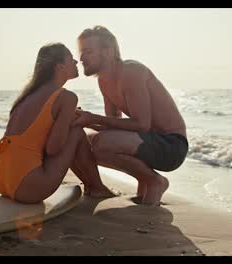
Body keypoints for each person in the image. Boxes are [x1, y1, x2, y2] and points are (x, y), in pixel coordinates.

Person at [72, 26, 189, 206]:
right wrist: (83, 120)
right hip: (147, 141)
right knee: (81, 143)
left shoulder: (131, 71)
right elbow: (115, 126)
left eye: (88, 51)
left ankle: (154, 181)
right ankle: (143, 181)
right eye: (81, 52)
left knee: (101, 143)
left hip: (171, 146)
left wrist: (93, 118)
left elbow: (142, 124)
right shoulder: (104, 81)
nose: (81, 58)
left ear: (108, 51)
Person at [0, 42, 114, 204]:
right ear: (60, 67)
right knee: (76, 131)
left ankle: (94, 186)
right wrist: (72, 121)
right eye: (71, 59)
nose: (76, 62)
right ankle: (96, 187)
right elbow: (53, 149)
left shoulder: (28, 96)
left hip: (3, 182)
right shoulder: (66, 97)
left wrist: (66, 120)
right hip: (29, 188)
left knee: (73, 129)